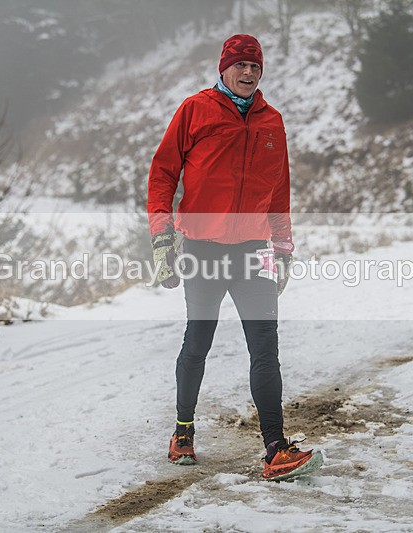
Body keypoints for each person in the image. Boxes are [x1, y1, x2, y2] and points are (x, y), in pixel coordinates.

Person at [147, 34, 321, 481]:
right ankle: (183, 430)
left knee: (266, 346)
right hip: (203, 249)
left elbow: (279, 190)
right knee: (198, 342)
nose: (248, 73)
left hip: (253, 251)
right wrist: (162, 237)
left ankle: (275, 449)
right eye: (240, 65)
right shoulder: (194, 110)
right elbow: (163, 173)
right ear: (223, 69)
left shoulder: (272, 121)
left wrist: (283, 248)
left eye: (255, 67)